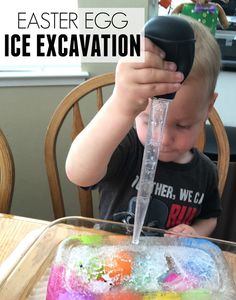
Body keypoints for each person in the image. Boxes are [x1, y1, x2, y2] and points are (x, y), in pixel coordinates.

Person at [65, 15, 222, 237]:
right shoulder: (126, 148)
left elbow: (210, 217)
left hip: (168, 267)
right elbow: (79, 173)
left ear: (209, 107)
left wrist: (195, 232)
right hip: (113, 261)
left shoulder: (206, 172)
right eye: (149, 121)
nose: (162, 139)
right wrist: (120, 105)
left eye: (183, 125)